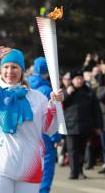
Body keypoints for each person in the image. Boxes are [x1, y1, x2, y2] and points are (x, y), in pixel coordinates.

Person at [0, 48, 63, 193]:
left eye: (14, 67)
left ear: (22, 70)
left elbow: (49, 128)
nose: (10, 71)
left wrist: (55, 105)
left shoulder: (38, 98)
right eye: (6, 67)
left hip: (30, 166)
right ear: (0, 69)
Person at [28, 57, 62, 193]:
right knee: (46, 171)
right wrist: (56, 138)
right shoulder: (47, 90)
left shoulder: (26, 85)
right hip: (45, 136)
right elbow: (52, 114)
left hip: (30, 134)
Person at [63, 69, 102, 180]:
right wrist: (67, 93)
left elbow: (96, 110)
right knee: (72, 150)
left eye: (81, 78)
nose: (79, 81)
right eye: (77, 79)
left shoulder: (89, 92)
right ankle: (73, 171)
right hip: (70, 126)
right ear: (72, 80)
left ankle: (80, 171)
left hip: (85, 126)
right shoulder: (67, 91)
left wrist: (98, 126)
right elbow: (60, 105)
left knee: (82, 150)